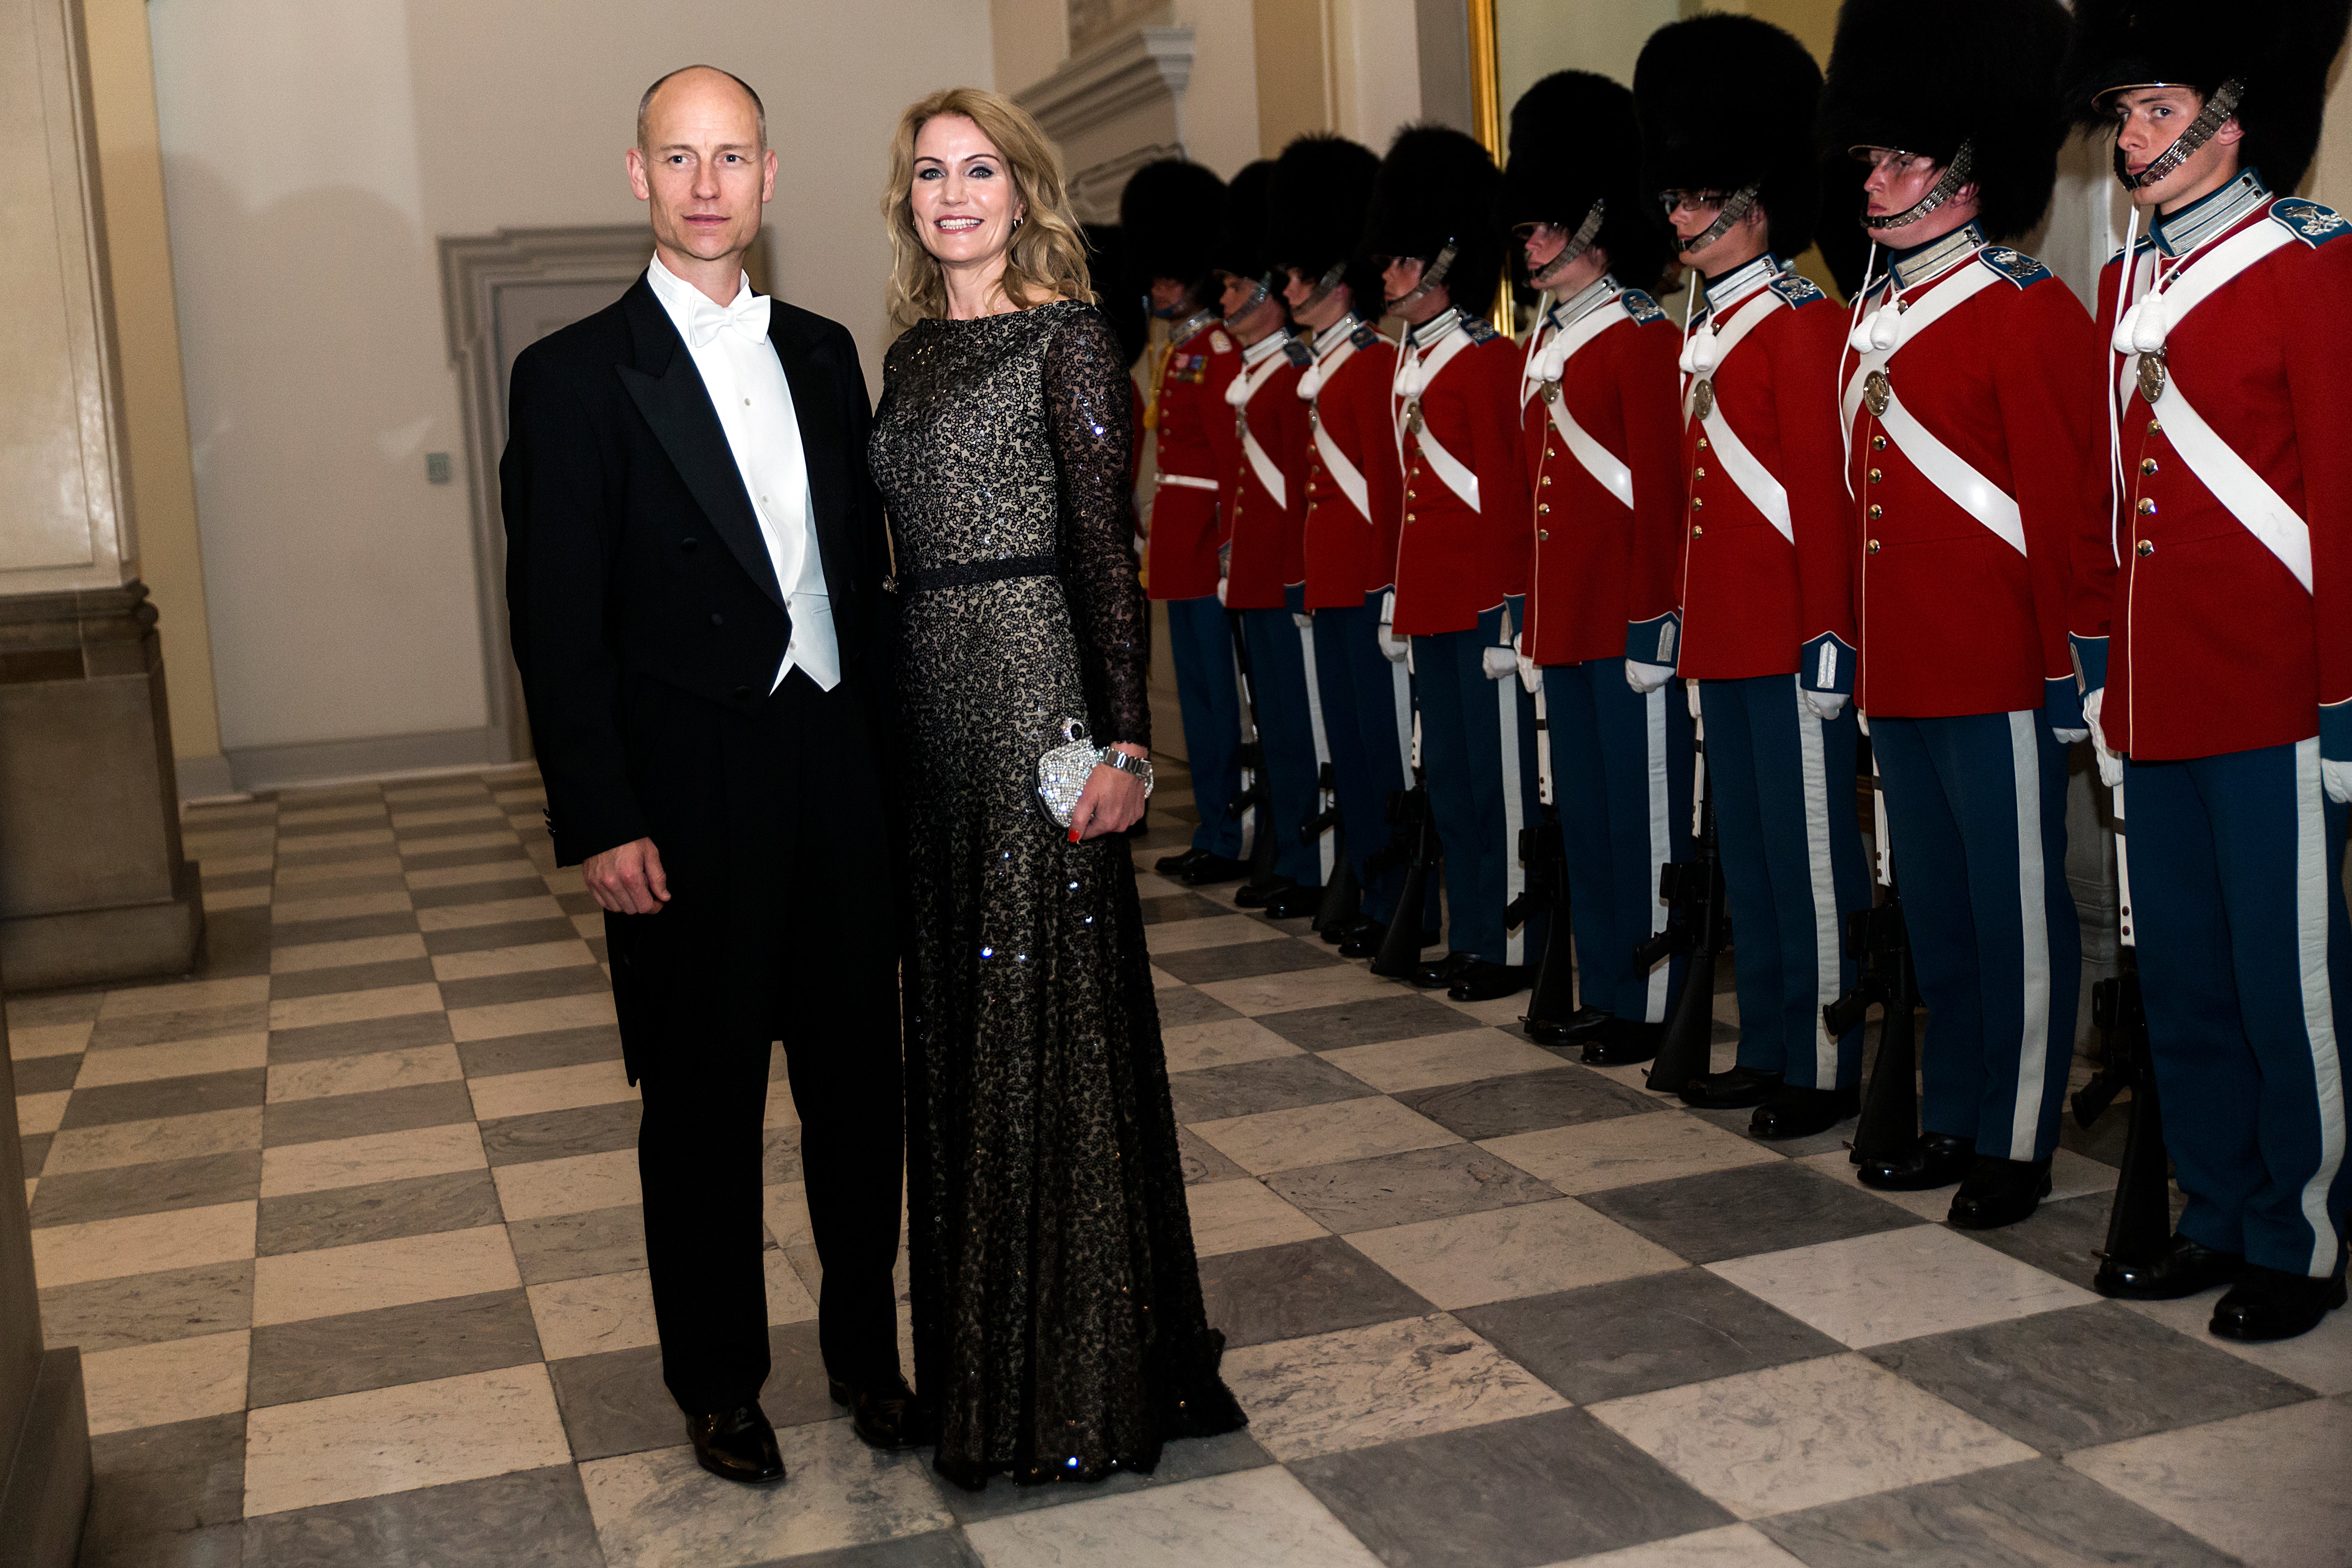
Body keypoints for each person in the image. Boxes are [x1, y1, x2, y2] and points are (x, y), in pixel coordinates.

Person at [500, 65, 912, 1487]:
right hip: (686, 793)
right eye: (678, 159)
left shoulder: (827, 350)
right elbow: (556, 627)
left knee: (864, 1095)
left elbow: (857, 577)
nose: (705, 185)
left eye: (730, 158)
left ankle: (869, 1358)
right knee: (702, 1107)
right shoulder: (569, 378)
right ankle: (722, 1386)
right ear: (638, 177)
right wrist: (601, 815)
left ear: (770, 175)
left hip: (835, 770)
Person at [868, 87, 1247, 1483]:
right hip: (929, 717)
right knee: (963, 1037)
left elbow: (1105, 558)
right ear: (906, 196)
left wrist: (1129, 748)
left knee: (1051, 1029)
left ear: (1023, 190)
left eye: (979, 171)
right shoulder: (906, 359)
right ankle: (983, 1367)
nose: (953, 194)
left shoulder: (1073, 344)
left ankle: (1078, 1381)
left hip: (1037, 709)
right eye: (929, 173)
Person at [2065, 0, 2352, 1339]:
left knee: (2287, 977)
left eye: (2159, 110)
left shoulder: (2312, 262)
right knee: (2182, 974)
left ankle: (2305, 1233)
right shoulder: (2130, 284)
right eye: (2125, 113)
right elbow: (2122, 502)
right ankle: (2218, 1210)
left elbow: (2343, 504)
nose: (2133, 135)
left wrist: (2345, 708)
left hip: (2276, 693)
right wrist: (2110, 677)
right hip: (2164, 694)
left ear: (2233, 125)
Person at [1817, 0, 2096, 1228]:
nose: (1874, 179)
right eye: (1870, 159)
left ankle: (2020, 1134)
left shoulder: (2028, 309)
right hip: (1906, 674)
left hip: (1997, 671)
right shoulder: (1873, 321)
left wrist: (2065, 677)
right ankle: (1959, 1111)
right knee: (1938, 914)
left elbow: (2067, 516)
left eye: (1899, 158)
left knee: (2016, 911)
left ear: (1968, 168)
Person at [1634, 16, 1874, 1138]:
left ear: (1757, 203)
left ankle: (1824, 1064)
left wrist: (1828, 636)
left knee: (1817, 864)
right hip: (1727, 642)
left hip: (1788, 641)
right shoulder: (1712, 328)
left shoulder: (1802, 326)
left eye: (1700, 201)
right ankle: (1774, 1044)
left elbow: (1822, 506)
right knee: (1762, 865)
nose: (1680, 219)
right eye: (1677, 200)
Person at [1501, 71, 1691, 1062]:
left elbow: (1661, 502)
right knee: (1587, 819)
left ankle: (1652, 1002)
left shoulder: (1642, 342)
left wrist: (1656, 622)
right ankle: (1610, 985)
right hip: (1567, 623)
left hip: (1625, 623)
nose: (1529, 247)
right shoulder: (1556, 345)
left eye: (1545, 231)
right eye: (1527, 232)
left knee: (1640, 820)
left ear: (1595, 229)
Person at [1366, 125, 1547, 1002]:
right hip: (1433, 604)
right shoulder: (1416, 361)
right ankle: (1473, 929)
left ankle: (1509, 941)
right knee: (1451, 785)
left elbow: (1508, 503)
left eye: (1405, 261)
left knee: (1497, 788)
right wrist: (1401, 599)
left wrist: (1507, 613)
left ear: (1444, 261)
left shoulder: (1487, 359)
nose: (1389, 276)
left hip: (1480, 608)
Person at [1267, 133, 1434, 957]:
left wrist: (1386, 592)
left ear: (1337, 276)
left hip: (1368, 588)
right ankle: (1371, 881)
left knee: (1382, 752)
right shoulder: (1331, 362)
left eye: (1301, 274)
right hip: (1330, 587)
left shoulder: (1369, 363)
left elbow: (1391, 494)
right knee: (1355, 752)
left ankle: (1403, 892)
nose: (1289, 289)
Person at [1125, 160, 1250, 887]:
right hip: (1179, 541)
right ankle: (1216, 822)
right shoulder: (1181, 353)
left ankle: (1227, 828)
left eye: (1172, 274)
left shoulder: (1215, 352)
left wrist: (1227, 547)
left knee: (1217, 702)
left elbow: (1232, 466)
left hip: (1207, 544)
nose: (1161, 286)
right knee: (1200, 696)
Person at [1211, 161, 1325, 918]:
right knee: (1276, 724)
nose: (1222, 299)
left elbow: (1303, 493)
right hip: (1253, 575)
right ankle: (1289, 849)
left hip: (1290, 576)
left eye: (1233, 284)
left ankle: (1315, 861)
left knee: (1305, 728)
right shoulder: (1257, 369)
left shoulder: (1290, 370)